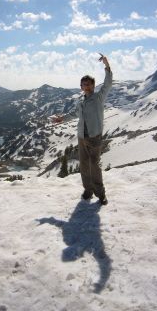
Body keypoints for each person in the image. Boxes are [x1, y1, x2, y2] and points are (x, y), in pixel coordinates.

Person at [53, 54, 113, 205]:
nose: (86, 86)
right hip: (82, 137)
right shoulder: (81, 101)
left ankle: (101, 193)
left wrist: (106, 65)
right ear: (81, 87)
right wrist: (62, 119)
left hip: (94, 137)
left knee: (95, 165)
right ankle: (88, 190)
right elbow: (75, 114)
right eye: (83, 84)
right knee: (84, 165)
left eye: (89, 84)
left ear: (93, 86)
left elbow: (108, 83)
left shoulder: (99, 97)